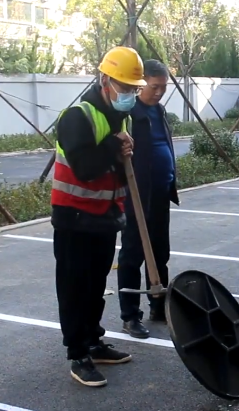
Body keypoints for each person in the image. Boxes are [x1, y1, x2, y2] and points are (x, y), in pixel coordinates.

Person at [52, 46, 145, 387]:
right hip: (74, 218)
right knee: (75, 288)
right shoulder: (78, 115)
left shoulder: (123, 116)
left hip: (105, 216)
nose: (130, 94)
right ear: (105, 80)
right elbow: (86, 167)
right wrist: (113, 147)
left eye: (134, 88)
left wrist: (124, 156)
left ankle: (94, 340)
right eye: (125, 87)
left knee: (95, 286)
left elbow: (117, 169)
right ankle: (78, 354)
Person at [117, 59, 180, 339]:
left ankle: (159, 305)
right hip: (136, 196)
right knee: (132, 254)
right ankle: (130, 316)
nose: (158, 92)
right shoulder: (128, 112)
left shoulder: (159, 110)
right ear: (142, 84)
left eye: (163, 87)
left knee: (160, 251)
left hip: (160, 193)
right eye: (154, 87)